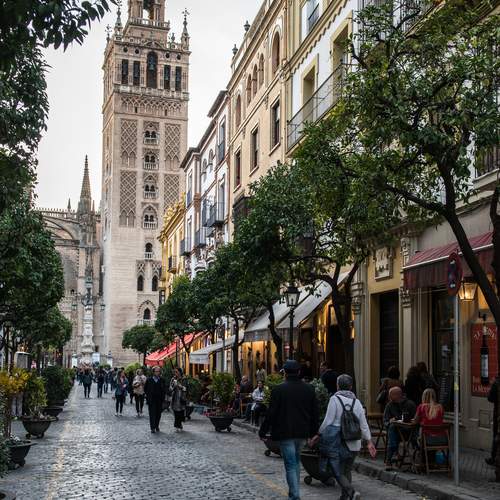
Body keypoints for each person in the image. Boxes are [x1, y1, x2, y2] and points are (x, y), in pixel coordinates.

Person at [259, 360, 319, 500]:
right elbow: (314, 413)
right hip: (302, 432)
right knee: (296, 461)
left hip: (285, 432)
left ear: (285, 373)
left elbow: (271, 413)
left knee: (291, 464)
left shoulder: (278, 389)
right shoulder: (309, 389)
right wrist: (313, 433)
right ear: (299, 372)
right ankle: (294, 492)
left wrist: (263, 431)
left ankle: (294, 495)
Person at [310, 374, 376, 500]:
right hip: (354, 442)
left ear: (338, 386)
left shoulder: (334, 399)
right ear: (351, 387)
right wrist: (369, 441)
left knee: (338, 471)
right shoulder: (357, 402)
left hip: (338, 441)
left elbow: (328, 421)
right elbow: (363, 424)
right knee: (347, 470)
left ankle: (352, 493)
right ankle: (345, 496)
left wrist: (318, 434)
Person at [383, 386, 417, 468]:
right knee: (392, 428)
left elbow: (416, 419)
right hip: (395, 433)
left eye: (390, 395)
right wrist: (390, 421)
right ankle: (394, 454)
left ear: (397, 395)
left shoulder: (410, 404)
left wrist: (409, 421)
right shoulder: (389, 405)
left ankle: (390, 460)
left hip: (408, 432)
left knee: (392, 432)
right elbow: (385, 421)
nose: (389, 397)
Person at [145, 366, 166, 433]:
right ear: (153, 372)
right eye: (156, 371)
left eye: (158, 371)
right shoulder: (149, 380)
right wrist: (148, 397)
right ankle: (152, 428)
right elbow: (145, 389)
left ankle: (156, 426)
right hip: (151, 400)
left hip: (159, 399)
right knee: (152, 414)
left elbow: (164, 389)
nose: (157, 373)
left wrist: (163, 398)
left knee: (158, 414)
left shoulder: (162, 380)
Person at [486, 376, 499, 466]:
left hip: (497, 414)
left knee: (496, 436)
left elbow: (490, 398)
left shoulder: (496, 383)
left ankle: (494, 458)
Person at [169, 367, 187, 431]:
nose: (175, 373)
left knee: (181, 412)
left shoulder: (184, 379)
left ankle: (179, 424)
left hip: (182, 397)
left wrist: (179, 385)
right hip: (175, 397)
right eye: (174, 372)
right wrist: (173, 386)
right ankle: (177, 425)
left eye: (176, 372)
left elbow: (185, 388)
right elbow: (170, 388)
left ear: (180, 372)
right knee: (176, 412)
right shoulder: (173, 379)